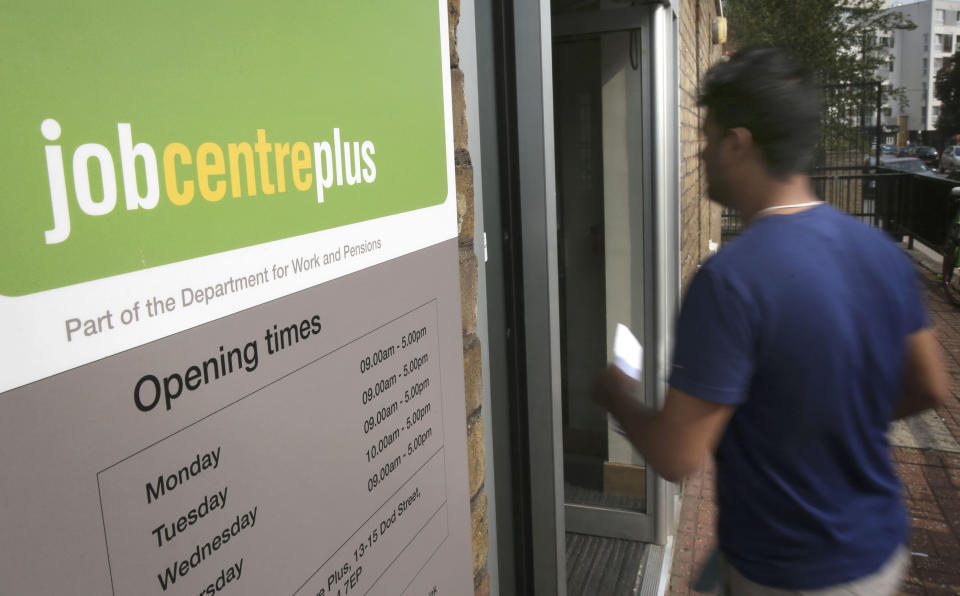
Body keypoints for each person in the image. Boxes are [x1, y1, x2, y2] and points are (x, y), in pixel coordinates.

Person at [594, 48, 950, 595]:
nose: (701, 154)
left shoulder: (730, 279)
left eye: (707, 139)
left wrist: (617, 393)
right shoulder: (878, 251)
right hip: (879, 551)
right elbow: (930, 384)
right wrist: (835, 422)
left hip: (788, 570)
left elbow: (675, 455)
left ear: (739, 144)